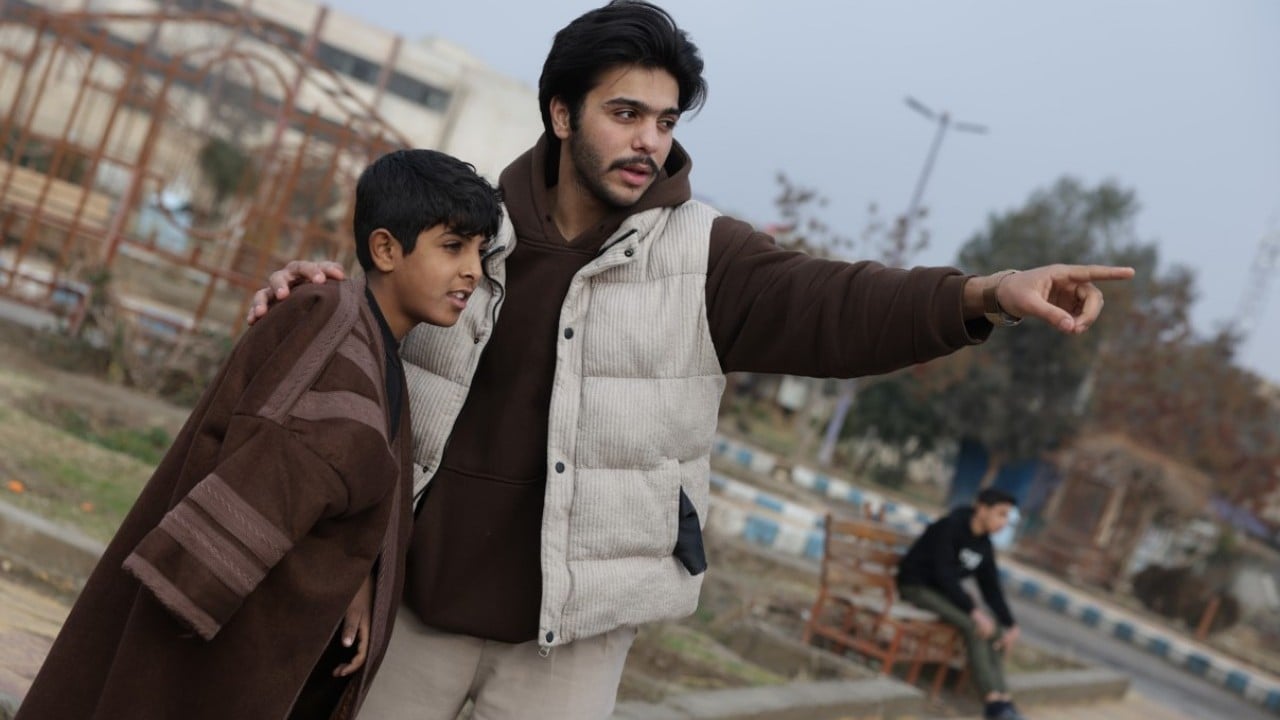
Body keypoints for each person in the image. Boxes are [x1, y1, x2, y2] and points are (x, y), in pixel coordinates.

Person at [248, 3, 1134, 717]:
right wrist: (317, 292)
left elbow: (841, 303)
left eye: (664, 121)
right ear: (562, 113)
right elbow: (367, 320)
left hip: (574, 647)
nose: (649, 141)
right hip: (412, 614)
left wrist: (982, 294)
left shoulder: (709, 258)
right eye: (624, 113)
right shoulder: (465, 225)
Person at [16, 149, 503, 720]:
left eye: (479, 251)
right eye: (453, 247)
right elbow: (287, 463)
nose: (473, 269)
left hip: (254, 620)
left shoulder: (366, 340)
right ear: (386, 249)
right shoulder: (328, 323)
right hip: (219, 624)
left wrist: (358, 574)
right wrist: (198, 580)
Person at [897, 489, 1026, 720]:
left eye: (1007, 517)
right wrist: (973, 612)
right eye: (1001, 514)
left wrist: (1010, 624)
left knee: (994, 631)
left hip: (941, 593)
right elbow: (944, 574)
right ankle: (992, 704)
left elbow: (991, 587)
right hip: (917, 587)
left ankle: (1004, 699)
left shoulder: (983, 544)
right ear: (982, 508)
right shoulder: (949, 527)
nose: (1004, 522)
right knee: (974, 626)